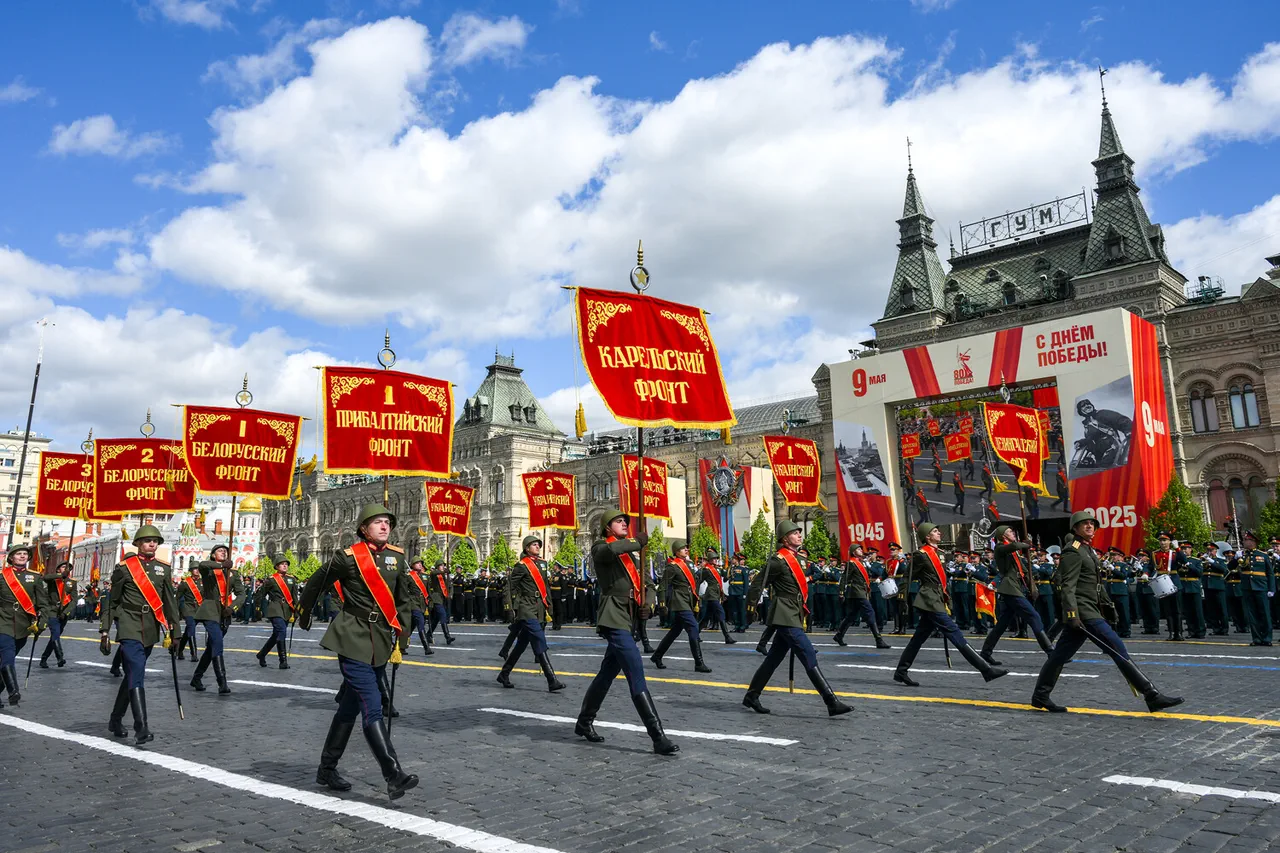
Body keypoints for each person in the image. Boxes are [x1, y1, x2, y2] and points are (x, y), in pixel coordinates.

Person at [297, 503, 417, 800]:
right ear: (364, 528)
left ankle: (327, 769)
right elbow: (317, 582)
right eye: (378, 522)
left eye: (387, 522)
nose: (384, 526)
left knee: (349, 707)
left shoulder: (396, 557)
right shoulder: (348, 558)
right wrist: (305, 612)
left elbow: (403, 601)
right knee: (372, 704)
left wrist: (401, 640)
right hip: (352, 636)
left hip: (381, 639)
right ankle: (393, 774)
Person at [1032, 511, 1183, 713]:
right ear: (1075, 528)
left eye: (1092, 524)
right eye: (1084, 524)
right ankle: (1151, 694)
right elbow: (1067, 585)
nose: (1089, 526)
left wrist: (1107, 606)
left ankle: (1040, 695)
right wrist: (1072, 614)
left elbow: (1095, 584)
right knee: (1116, 647)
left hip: (1091, 607)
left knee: (1060, 655)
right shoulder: (1073, 551)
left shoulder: (1087, 549)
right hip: (1084, 610)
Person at [574, 510, 678, 755]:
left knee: (607, 674)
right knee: (635, 671)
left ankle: (584, 721)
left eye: (626, 521)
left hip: (630, 616)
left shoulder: (632, 555)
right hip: (613, 615)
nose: (624, 524)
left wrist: (648, 604)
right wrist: (636, 541)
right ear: (607, 527)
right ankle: (658, 736)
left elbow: (648, 584)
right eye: (618, 521)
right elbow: (610, 551)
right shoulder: (601, 547)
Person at [743, 520, 852, 717]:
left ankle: (752, 695)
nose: (800, 535)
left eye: (799, 532)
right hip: (784, 613)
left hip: (794, 611)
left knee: (773, 658)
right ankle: (831, 701)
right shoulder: (778, 561)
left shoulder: (799, 559)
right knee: (808, 652)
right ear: (785, 539)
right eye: (795, 533)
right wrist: (751, 608)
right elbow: (757, 584)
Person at [892, 523, 1008, 687]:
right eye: (934, 531)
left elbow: (942, 578)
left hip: (937, 598)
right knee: (954, 632)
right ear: (927, 536)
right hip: (929, 599)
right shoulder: (921, 554)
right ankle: (986, 669)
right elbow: (907, 577)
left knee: (918, 638)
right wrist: (902, 599)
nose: (939, 533)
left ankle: (901, 671)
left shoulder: (938, 553)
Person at [98, 526, 182, 744]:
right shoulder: (125, 568)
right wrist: (105, 631)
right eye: (147, 540)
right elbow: (112, 602)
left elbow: (170, 603)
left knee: (132, 675)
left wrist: (176, 632)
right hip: (129, 623)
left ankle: (115, 719)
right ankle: (141, 727)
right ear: (137, 544)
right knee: (136, 671)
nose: (152, 544)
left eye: (155, 541)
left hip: (151, 627)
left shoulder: (163, 568)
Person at [496, 535, 566, 692]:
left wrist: (549, 607)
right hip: (526, 607)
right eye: (534, 545)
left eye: (538, 544)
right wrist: (508, 608)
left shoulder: (542, 564)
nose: (537, 547)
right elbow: (509, 587)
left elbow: (545, 587)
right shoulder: (521, 566)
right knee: (539, 638)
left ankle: (504, 674)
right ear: (527, 548)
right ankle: (551, 680)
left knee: (521, 645)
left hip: (539, 607)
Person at [978, 526, 1053, 665]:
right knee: (1033, 616)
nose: (1013, 533)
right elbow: (1014, 546)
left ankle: (985, 652)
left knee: (1002, 624)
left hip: (1016, 587)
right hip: (1010, 588)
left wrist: (1032, 586)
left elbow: (1023, 569)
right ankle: (1051, 652)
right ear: (1003, 536)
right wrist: (1026, 544)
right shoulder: (1000, 548)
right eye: (1010, 532)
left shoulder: (1014, 552)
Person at [650, 539, 712, 673]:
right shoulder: (672, 567)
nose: (686, 550)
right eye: (683, 548)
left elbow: (695, 581)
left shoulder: (688, 564)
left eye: (686, 548)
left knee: (674, 631)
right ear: (677, 552)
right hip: (679, 601)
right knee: (693, 628)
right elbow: (663, 586)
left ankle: (657, 656)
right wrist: (662, 604)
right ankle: (699, 663)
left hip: (688, 601)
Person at [1, 544, 49, 705]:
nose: (22, 556)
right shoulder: (2, 576)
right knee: (7, 655)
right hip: (3, 621)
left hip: (23, 624)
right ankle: (13, 691)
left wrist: (42, 623)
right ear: (11, 557)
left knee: (6, 659)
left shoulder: (35, 577)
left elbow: (43, 604)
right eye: (18, 554)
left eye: (24, 554)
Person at [190, 544, 240, 695]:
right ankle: (222, 683)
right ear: (213, 555)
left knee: (212, 647)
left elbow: (241, 593)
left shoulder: (233, 573)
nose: (223, 552)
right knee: (217, 642)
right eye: (220, 550)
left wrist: (233, 608)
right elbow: (202, 565)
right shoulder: (209, 570)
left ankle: (197, 678)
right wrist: (221, 565)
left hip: (225, 612)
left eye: (225, 551)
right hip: (210, 611)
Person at [833, 543, 891, 649]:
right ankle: (878, 640)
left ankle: (839, 635)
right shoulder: (851, 563)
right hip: (856, 592)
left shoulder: (861, 562)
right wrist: (841, 592)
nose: (861, 550)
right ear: (853, 552)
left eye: (860, 549)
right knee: (870, 612)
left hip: (861, 591)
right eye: (858, 549)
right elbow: (844, 578)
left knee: (851, 616)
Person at [254, 556, 299, 669]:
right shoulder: (271, 580)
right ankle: (283, 661)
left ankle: (261, 654)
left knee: (276, 635)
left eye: (286, 564)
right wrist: (258, 608)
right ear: (277, 567)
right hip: (275, 608)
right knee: (281, 631)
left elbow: (295, 597)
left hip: (287, 609)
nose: (285, 566)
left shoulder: (292, 579)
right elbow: (261, 594)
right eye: (282, 564)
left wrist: (296, 611)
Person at [1239, 531, 1275, 646]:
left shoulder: (1263, 555)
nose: (1244, 542)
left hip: (1261, 587)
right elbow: (1229, 567)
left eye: (1246, 540)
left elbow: (1270, 573)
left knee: (1264, 613)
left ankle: (1267, 638)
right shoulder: (1242, 555)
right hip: (1247, 587)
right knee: (1252, 614)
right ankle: (1257, 638)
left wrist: (1271, 589)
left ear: (1252, 541)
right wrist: (1236, 558)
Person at [40, 561, 77, 668]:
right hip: (52, 611)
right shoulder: (53, 580)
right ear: (58, 569)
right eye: (63, 567)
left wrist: (65, 612)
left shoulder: (72, 582)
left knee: (54, 637)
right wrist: (60, 576)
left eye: (68, 568)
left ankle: (44, 658)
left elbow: (74, 600)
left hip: (64, 613)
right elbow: (45, 577)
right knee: (55, 633)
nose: (66, 569)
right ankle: (60, 657)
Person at [698, 548, 736, 644]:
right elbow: (699, 580)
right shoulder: (706, 570)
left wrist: (730, 571)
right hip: (711, 594)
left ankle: (695, 634)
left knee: (706, 617)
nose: (716, 560)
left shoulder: (717, 569)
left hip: (717, 594)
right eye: (714, 558)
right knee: (721, 613)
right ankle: (727, 637)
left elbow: (725, 578)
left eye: (716, 558)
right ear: (710, 560)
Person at [1176, 542, 1205, 640]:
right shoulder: (1178, 561)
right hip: (1183, 586)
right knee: (1188, 612)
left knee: (1197, 610)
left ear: (1190, 549)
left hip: (1193, 587)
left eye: (1186, 548)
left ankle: (1200, 631)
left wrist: (1189, 565)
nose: (1184, 551)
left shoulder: (1196, 561)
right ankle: (1191, 631)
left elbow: (1199, 573)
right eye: (1182, 549)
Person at [425, 559, 455, 646]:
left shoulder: (445, 576)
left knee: (436, 619)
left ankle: (428, 635)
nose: (443, 567)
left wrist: (450, 594)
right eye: (441, 565)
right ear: (438, 566)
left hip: (443, 598)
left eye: (443, 565)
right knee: (443, 615)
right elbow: (432, 573)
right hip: (436, 598)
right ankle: (447, 637)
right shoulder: (435, 575)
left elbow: (449, 586)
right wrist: (443, 571)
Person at [405, 558, 432, 655]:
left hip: (422, 603)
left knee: (412, 626)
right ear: (412, 565)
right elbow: (404, 590)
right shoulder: (409, 577)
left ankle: (401, 645)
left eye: (420, 563)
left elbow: (428, 590)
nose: (420, 564)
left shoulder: (425, 576)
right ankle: (426, 648)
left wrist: (430, 602)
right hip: (413, 603)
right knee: (421, 623)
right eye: (417, 563)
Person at [177, 566, 201, 661]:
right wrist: (176, 612)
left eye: (198, 568)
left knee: (188, 631)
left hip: (198, 609)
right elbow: (178, 598)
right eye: (195, 569)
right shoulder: (185, 583)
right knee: (191, 628)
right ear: (191, 571)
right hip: (188, 608)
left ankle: (179, 650)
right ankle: (194, 654)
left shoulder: (203, 582)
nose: (197, 570)